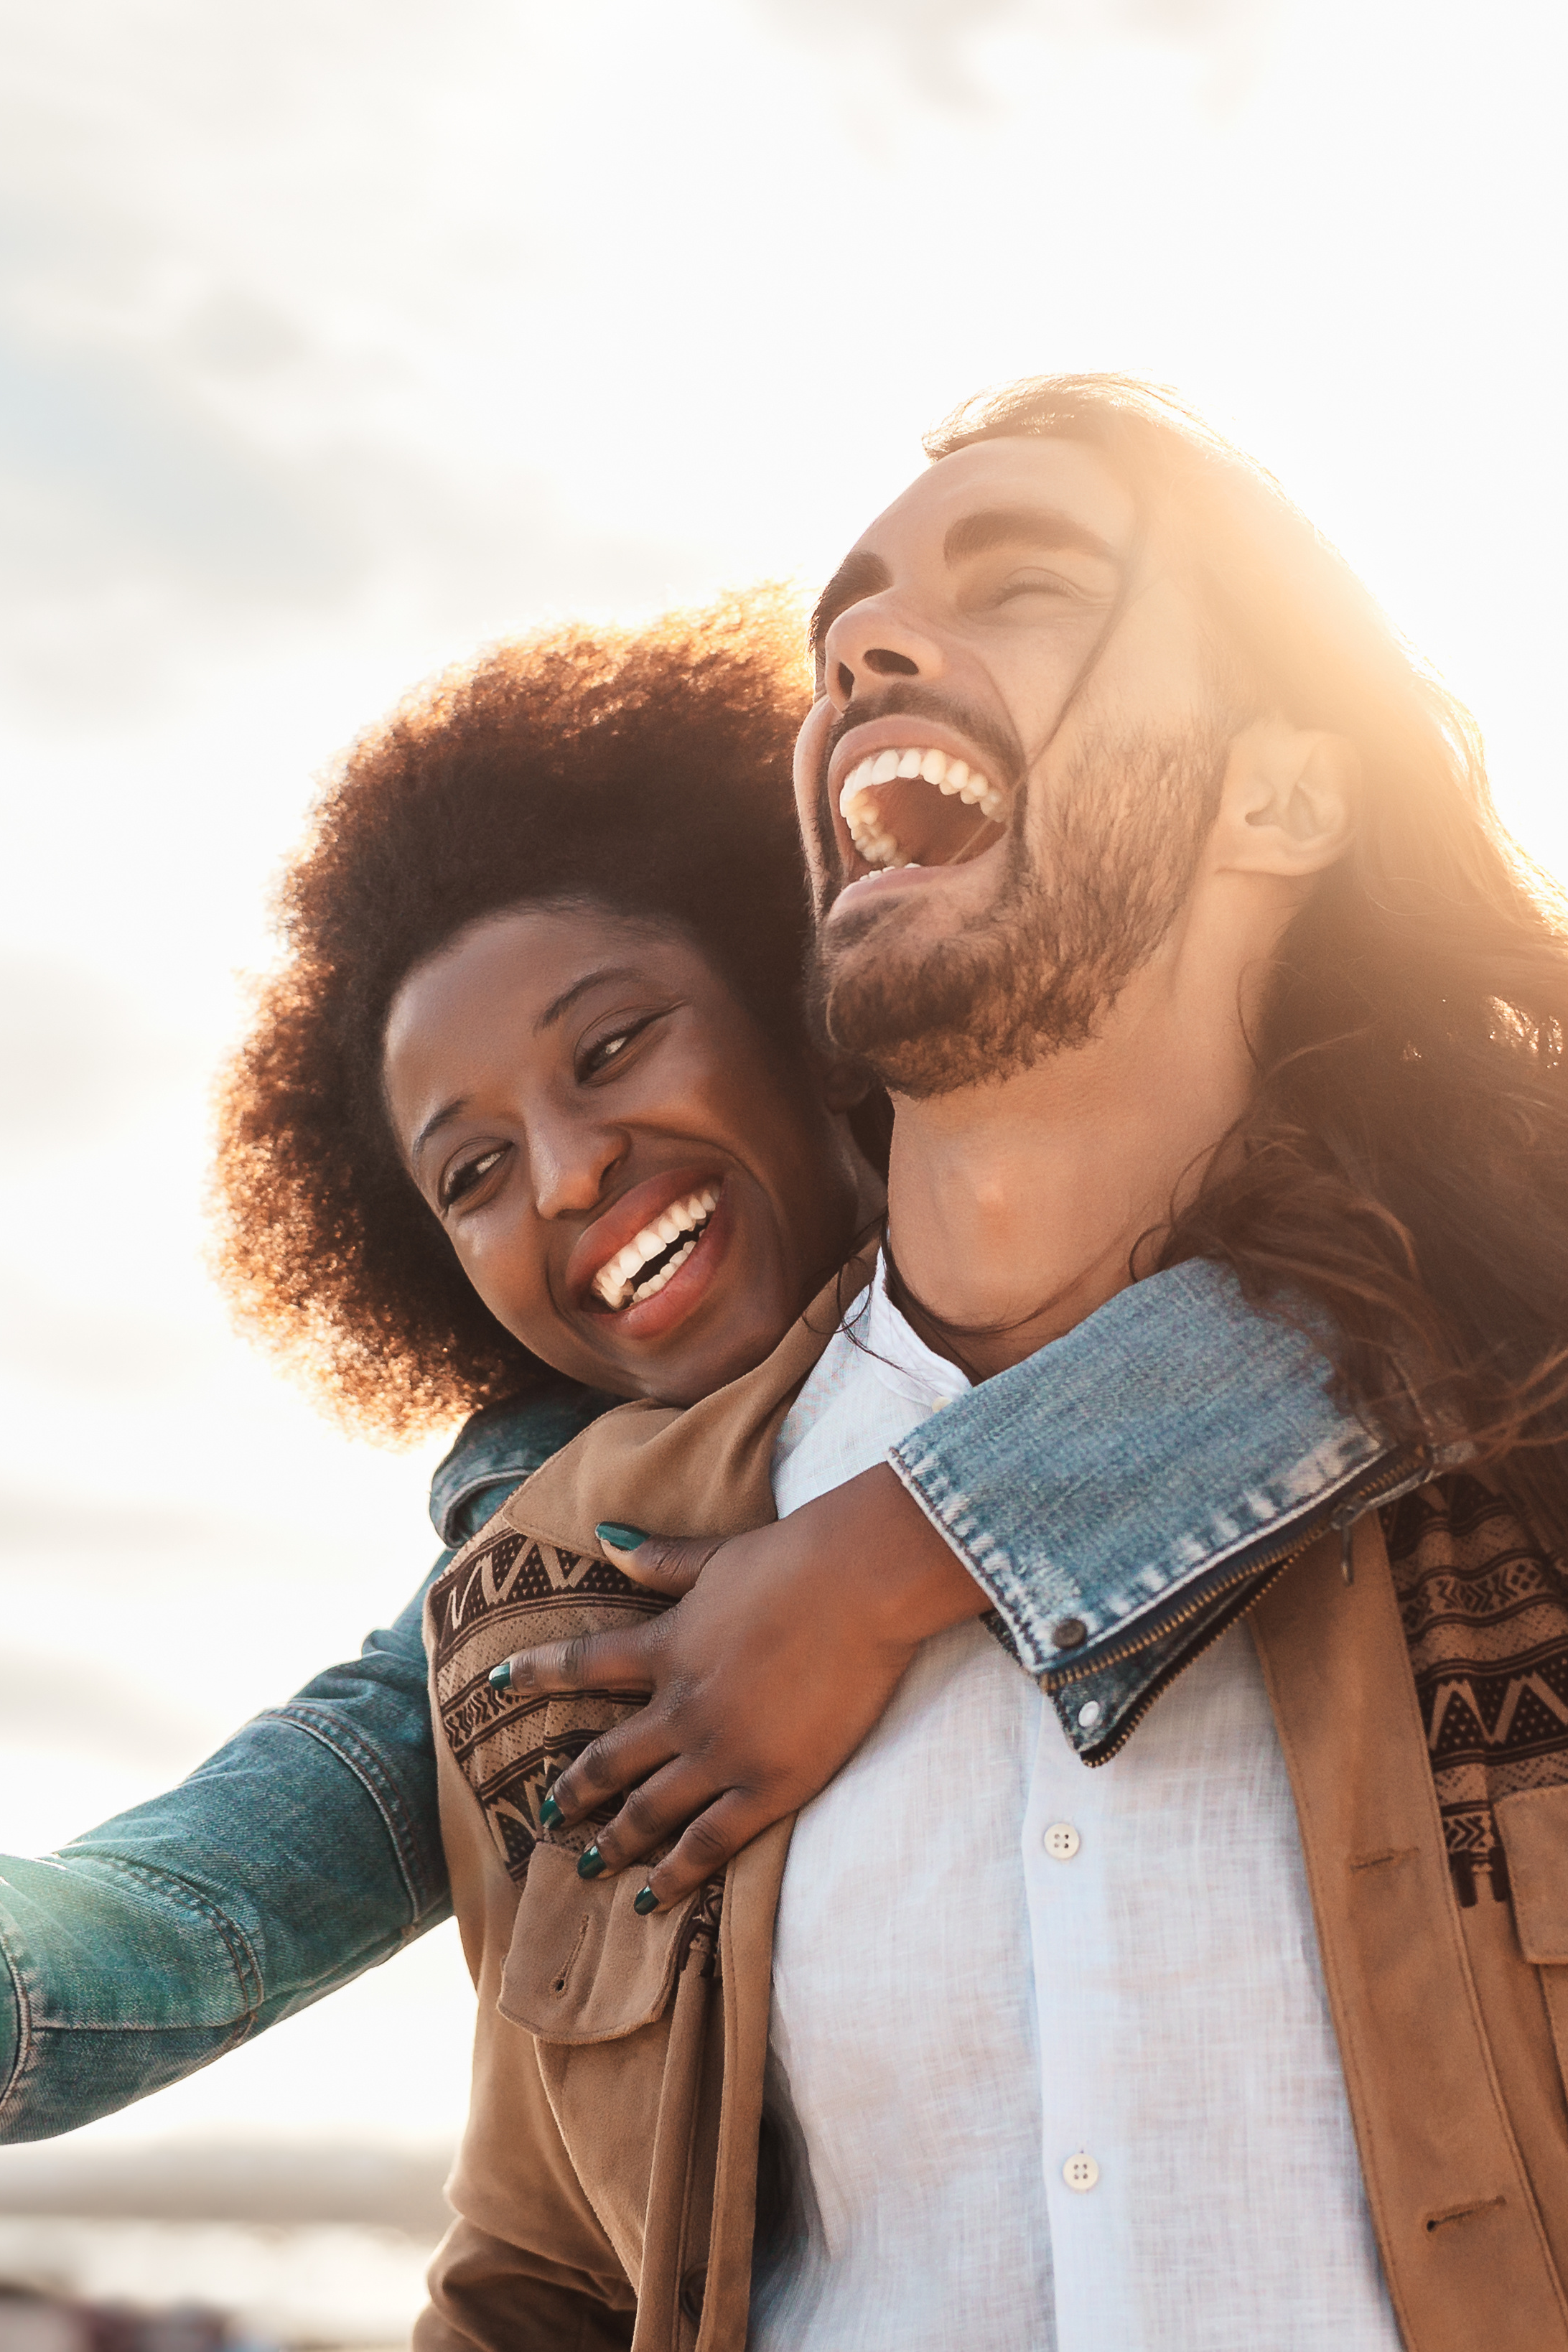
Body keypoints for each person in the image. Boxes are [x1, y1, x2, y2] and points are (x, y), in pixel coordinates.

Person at [421, 375, 1568, 2352]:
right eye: (841, 630)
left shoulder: (1522, 1414)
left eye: (1026, 583)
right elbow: (541, 2286)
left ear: (1283, 794)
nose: (868, 646)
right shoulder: (567, 1591)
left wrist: (917, 1544)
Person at [0, 584, 1358, 2156]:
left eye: (612, 1046)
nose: (568, 1175)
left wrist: (876, 1564)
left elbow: (1423, 1313)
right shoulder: (554, 1572)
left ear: (804, 1000)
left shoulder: (1256, 1241)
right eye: (474, 1174)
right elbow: (182, 1915)